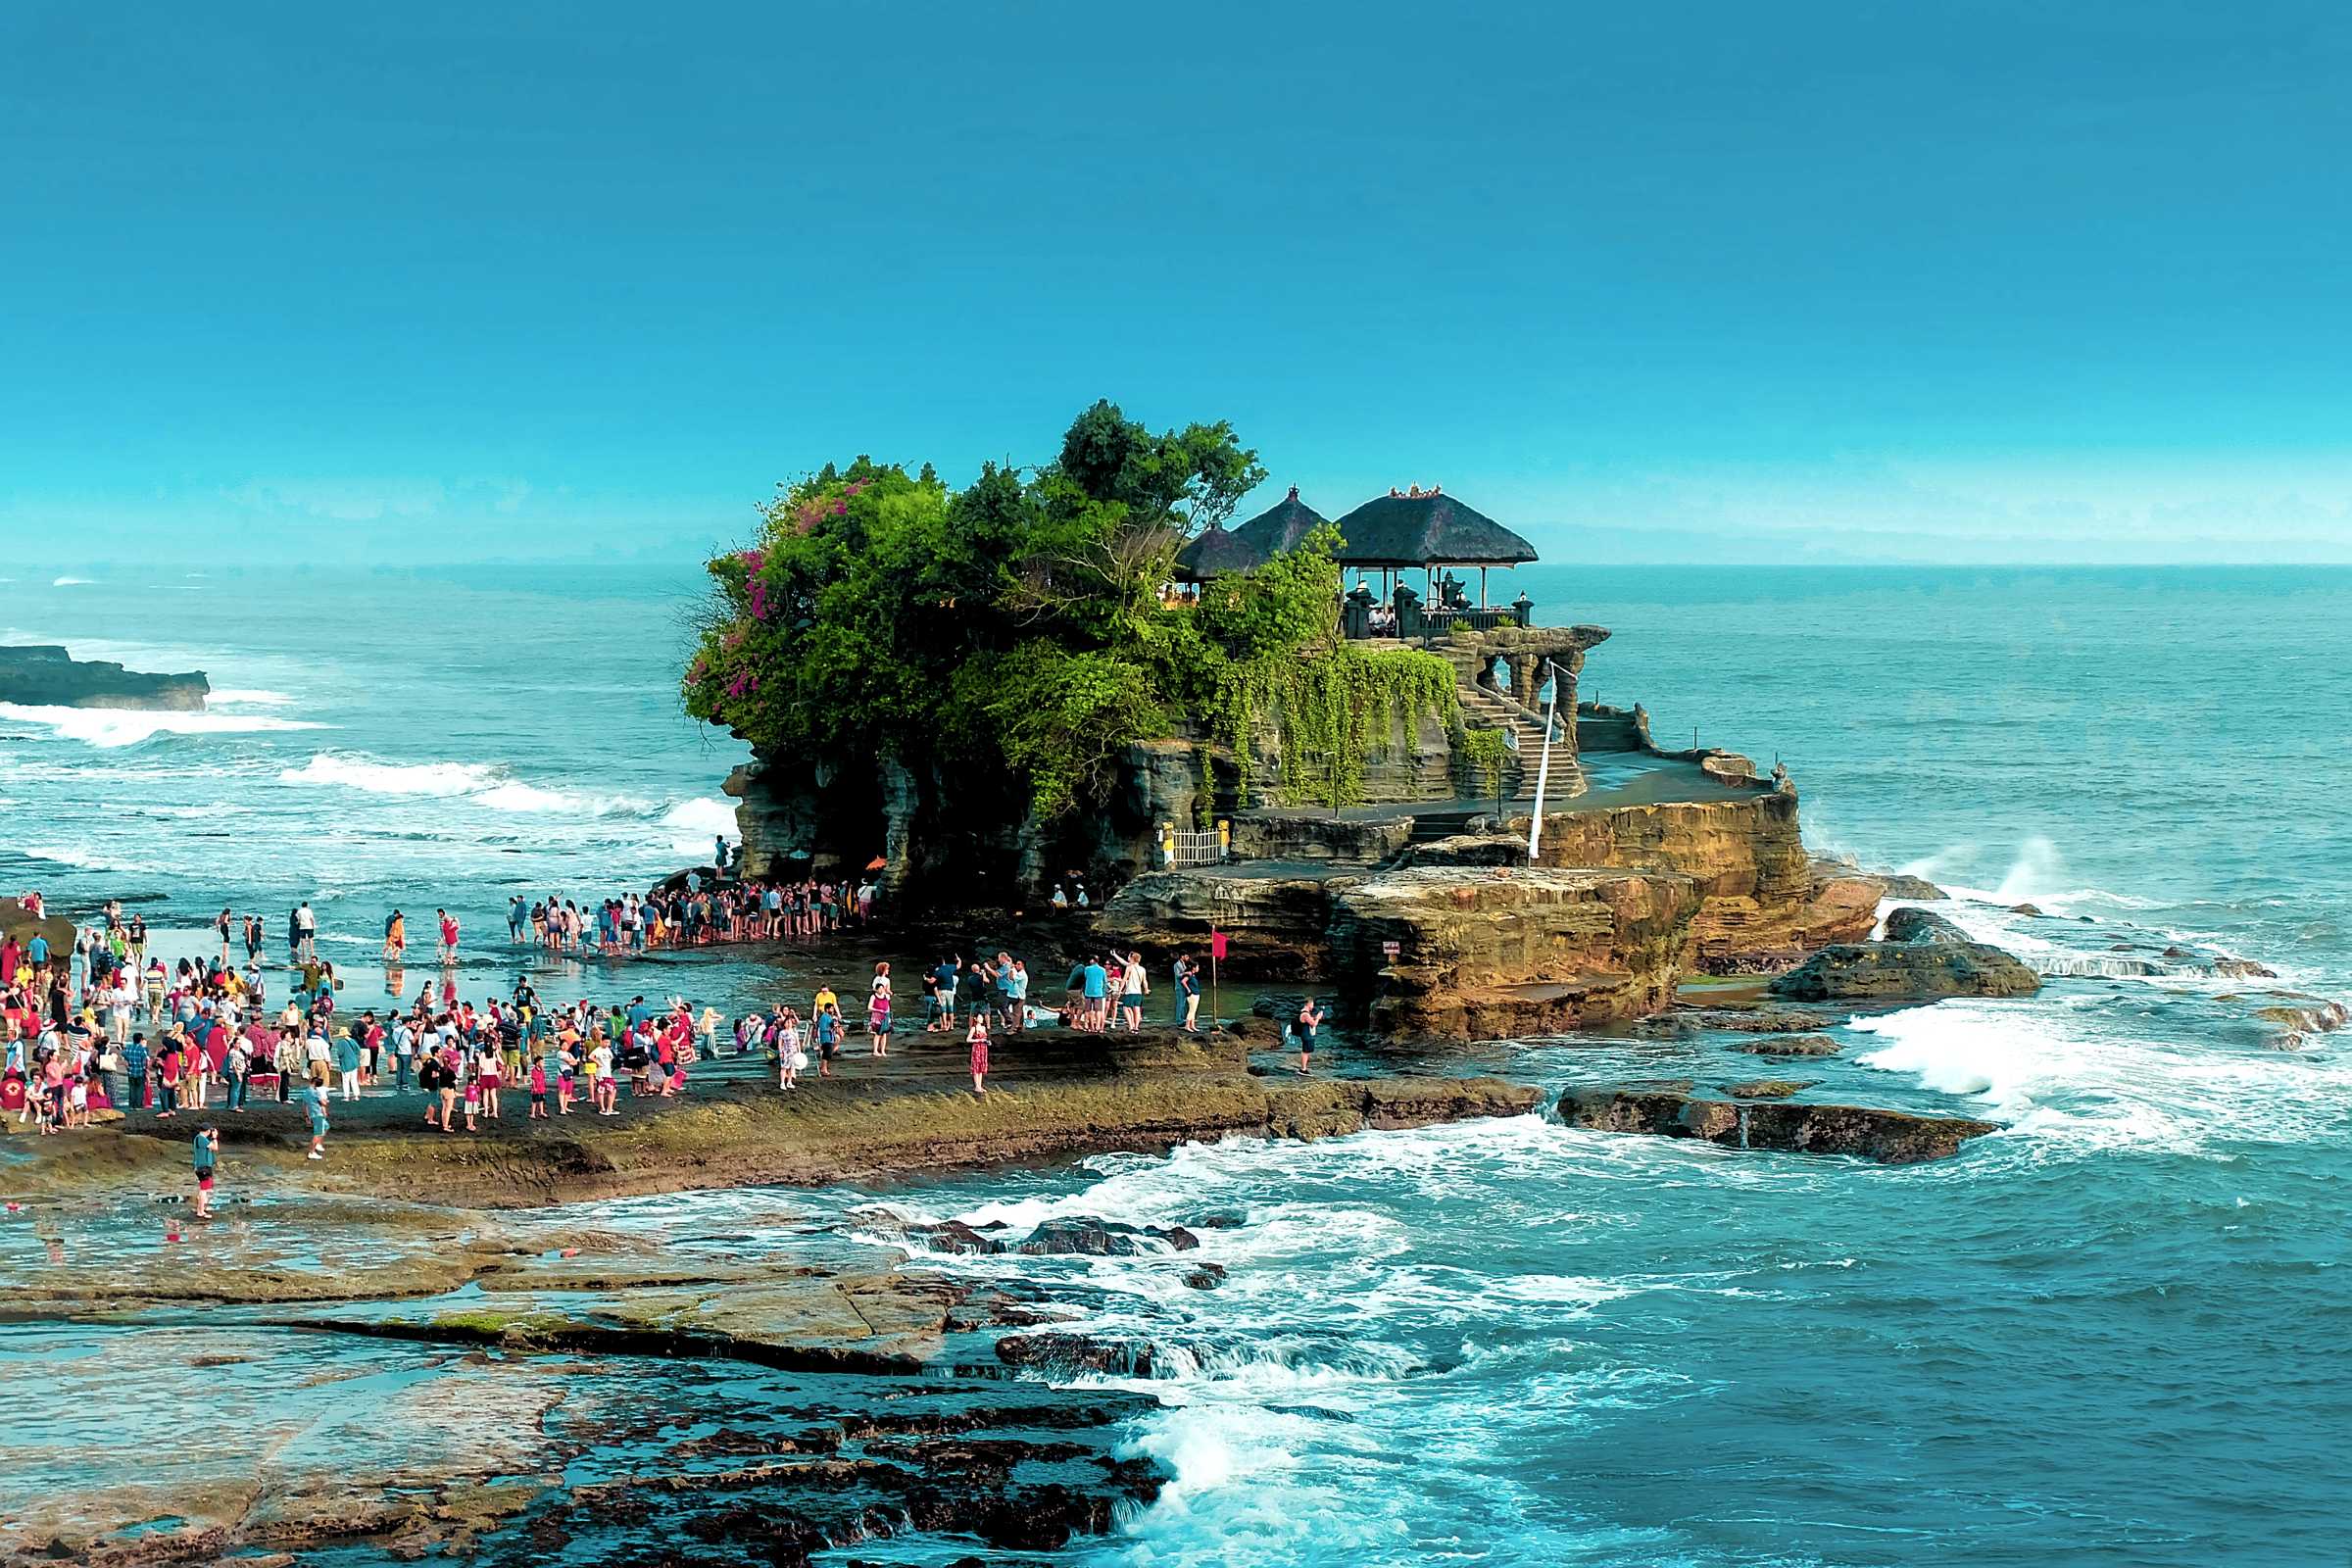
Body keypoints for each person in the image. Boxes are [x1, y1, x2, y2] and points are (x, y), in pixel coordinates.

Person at [191, 1124, 219, 1217]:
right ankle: (200, 1211)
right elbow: (215, 1147)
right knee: (204, 1190)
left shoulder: (200, 1138)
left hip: (203, 1166)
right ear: (208, 1131)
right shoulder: (201, 1139)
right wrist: (214, 1137)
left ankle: (201, 1208)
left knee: (206, 1189)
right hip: (203, 1167)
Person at [1119, 951, 1150, 1032]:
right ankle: (1136, 1027)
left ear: (1132, 958)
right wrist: (1146, 989)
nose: (1128, 958)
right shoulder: (1142, 969)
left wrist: (1120, 990)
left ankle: (1131, 1026)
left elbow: (1124, 979)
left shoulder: (1129, 968)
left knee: (1125, 1008)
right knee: (1137, 1009)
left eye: (1129, 957)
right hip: (1138, 992)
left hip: (1130, 992)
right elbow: (1144, 981)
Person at [304, 1068, 330, 1158]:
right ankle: (311, 1152)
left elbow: (305, 1105)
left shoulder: (306, 1092)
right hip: (318, 1114)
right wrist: (325, 1101)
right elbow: (323, 1103)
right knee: (317, 1133)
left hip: (312, 1114)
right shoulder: (316, 1093)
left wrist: (306, 1116)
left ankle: (318, 1144)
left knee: (326, 1126)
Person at [1295, 997, 1324, 1076]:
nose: (1313, 1006)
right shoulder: (1305, 1014)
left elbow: (1309, 1021)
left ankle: (1304, 1068)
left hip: (1306, 1034)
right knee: (1305, 1052)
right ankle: (1303, 1069)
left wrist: (1315, 1018)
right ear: (1309, 1004)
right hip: (1306, 1035)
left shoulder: (1304, 1013)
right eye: (1312, 1004)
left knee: (1306, 1051)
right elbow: (1313, 1024)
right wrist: (1318, 1018)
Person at [966, 1012, 990, 1098]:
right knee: (976, 1066)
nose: (981, 1019)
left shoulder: (984, 1028)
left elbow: (985, 1038)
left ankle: (980, 1085)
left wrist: (987, 1042)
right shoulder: (974, 1028)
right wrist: (978, 1040)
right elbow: (968, 1039)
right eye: (980, 1017)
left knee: (981, 1066)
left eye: (982, 1017)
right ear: (975, 1019)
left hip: (983, 1048)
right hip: (977, 1048)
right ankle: (977, 1086)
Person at [1176, 954, 1200, 1031]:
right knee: (1191, 1011)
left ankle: (1192, 1025)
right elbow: (1183, 981)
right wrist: (1188, 990)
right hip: (1192, 995)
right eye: (1197, 967)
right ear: (1193, 968)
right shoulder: (1189, 974)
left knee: (1194, 1011)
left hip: (1196, 994)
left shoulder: (1192, 974)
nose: (1198, 968)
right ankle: (1187, 1025)